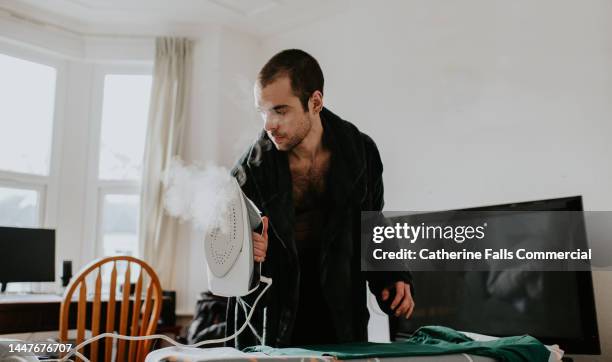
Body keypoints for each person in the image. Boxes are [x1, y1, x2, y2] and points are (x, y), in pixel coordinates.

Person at [226, 49, 414, 348]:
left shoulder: (361, 153)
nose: (268, 125)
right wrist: (244, 250)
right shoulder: (249, 171)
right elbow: (226, 252)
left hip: (340, 313)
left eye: (280, 110)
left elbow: (372, 224)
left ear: (315, 102)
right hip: (272, 320)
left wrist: (392, 275)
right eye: (262, 112)